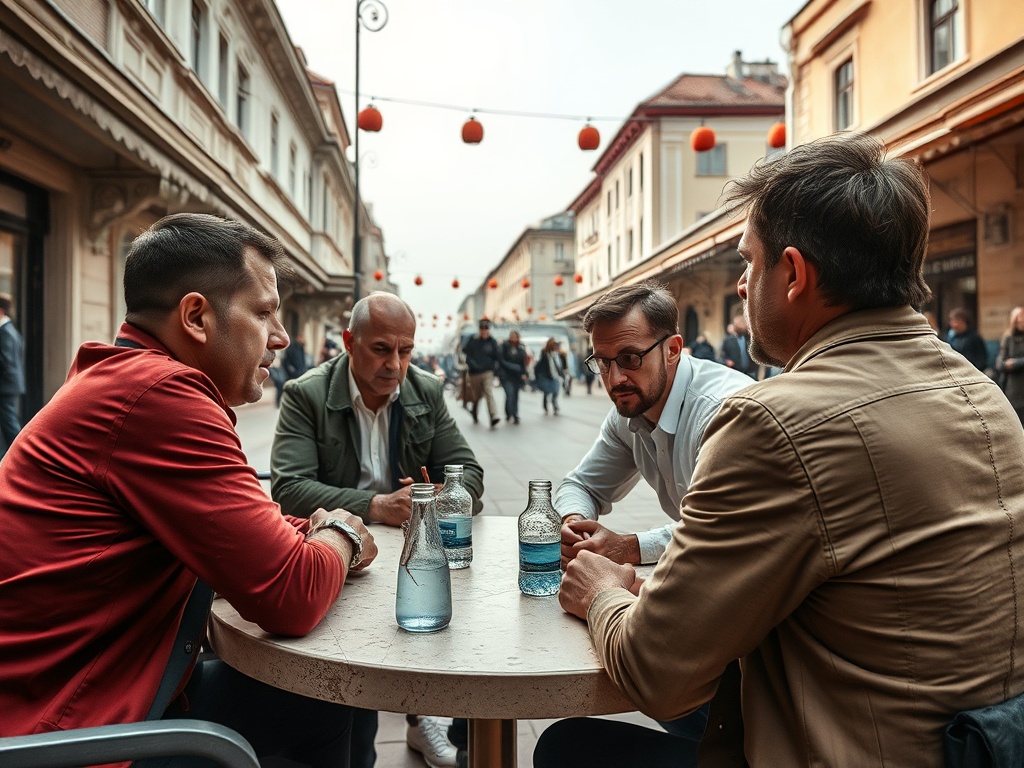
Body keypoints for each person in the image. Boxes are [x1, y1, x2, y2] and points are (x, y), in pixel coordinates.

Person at [542, 133, 1024, 767]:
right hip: (982, 748)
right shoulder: (984, 395)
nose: (741, 286)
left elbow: (657, 673)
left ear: (793, 275)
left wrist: (602, 589)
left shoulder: (773, 422)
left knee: (569, 746)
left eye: (749, 263)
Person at [0, 213, 378, 768]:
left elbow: (251, 530)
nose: (281, 337)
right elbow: (291, 594)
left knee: (336, 696)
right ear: (196, 316)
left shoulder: (126, 380)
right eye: (265, 312)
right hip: (67, 733)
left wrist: (309, 537)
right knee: (335, 694)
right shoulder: (159, 396)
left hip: (105, 692)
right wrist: (343, 530)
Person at [271, 291, 484, 768]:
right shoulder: (306, 393)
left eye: (405, 351)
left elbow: (469, 474)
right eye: (381, 349)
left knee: (465, 627)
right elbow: (288, 489)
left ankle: (440, 720)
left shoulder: (425, 390)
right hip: (346, 551)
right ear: (349, 341)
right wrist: (376, 505)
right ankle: (373, 733)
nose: (396, 364)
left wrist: (434, 497)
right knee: (351, 672)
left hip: (416, 544)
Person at [556, 281, 753, 569]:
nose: (614, 379)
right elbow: (582, 484)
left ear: (673, 350)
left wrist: (627, 547)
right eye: (603, 362)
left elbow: (722, 526)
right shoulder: (630, 412)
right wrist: (574, 522)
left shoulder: (721, 411)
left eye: (629, 359)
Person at [460, 319, 501, 428]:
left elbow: (497, 357)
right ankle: (474, 412)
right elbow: (466, 355)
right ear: (479, 330)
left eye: (486, 329)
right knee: (477, 396)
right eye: (482, 329)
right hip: (474, 373)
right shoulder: (473, 340)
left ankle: (493, 416)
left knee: (488, 392)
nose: (484, 331)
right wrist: (472, 365)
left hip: (488, 372)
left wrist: (495, 369)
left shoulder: (492, 341)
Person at [0, 291, 25, 458]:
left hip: (5, 387)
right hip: (8, 385)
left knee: (10, 423)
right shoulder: (10, 330)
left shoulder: (5, 332)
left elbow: (5, 361)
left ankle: (23, 454)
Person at [996, 305, 1024, 425]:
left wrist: (1015, 363)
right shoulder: (1007, 338)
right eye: (1019, 319)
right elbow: (999, 364)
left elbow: (1009, 363)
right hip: (1013, 388)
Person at [498, 330, 528, 423]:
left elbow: (523, 363)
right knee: (509, 394)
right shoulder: (504, 347)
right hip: (506, 375)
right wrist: (513, 367)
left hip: (517, 376)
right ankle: (509, 413)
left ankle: (515, 414)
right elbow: (501, 360)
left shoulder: (521, 348)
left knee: (515, 395)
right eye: (512, 336)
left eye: (515, 336)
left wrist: (524, 374)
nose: (514, 338)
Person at [946, 307, 988, 371]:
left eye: (954, 321)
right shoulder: (951, 338)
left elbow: (981, 360)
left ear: (962, 321)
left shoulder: (974, 337)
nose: (952, 324)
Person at [719, 314, 759, 378]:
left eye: (741, 323)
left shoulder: (750, 338)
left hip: (751, 371)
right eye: (736, 324)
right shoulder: (728, 341)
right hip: (736, 372)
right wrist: (727, 360)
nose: (738, 326)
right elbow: (722, 355)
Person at [533, 337, 566, 414]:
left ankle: (555, 405)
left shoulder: (558, 354)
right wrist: (537, 375)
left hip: (556, 376)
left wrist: (562, 373)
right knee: (547, 392)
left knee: (556, 391)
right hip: (547, 376)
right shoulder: (545, 354)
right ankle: (545, 405)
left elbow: (560, 366)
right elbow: (539, 365)